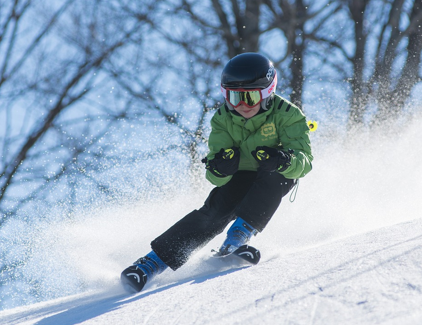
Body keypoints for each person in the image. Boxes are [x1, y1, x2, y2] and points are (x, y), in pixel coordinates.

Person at [121, 52, 313, 292]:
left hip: (273, 172)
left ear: (267, 94)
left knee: (279, 177)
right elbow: (214, 175)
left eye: (250, 97)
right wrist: (220, 167)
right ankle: (150, 264)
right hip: (240, 175)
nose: (241, 105)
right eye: (234, 97)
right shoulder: (223, 118)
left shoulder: (288, 114)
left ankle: (236, 239)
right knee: (215, 211)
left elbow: (304, 162)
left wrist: (283, 159)